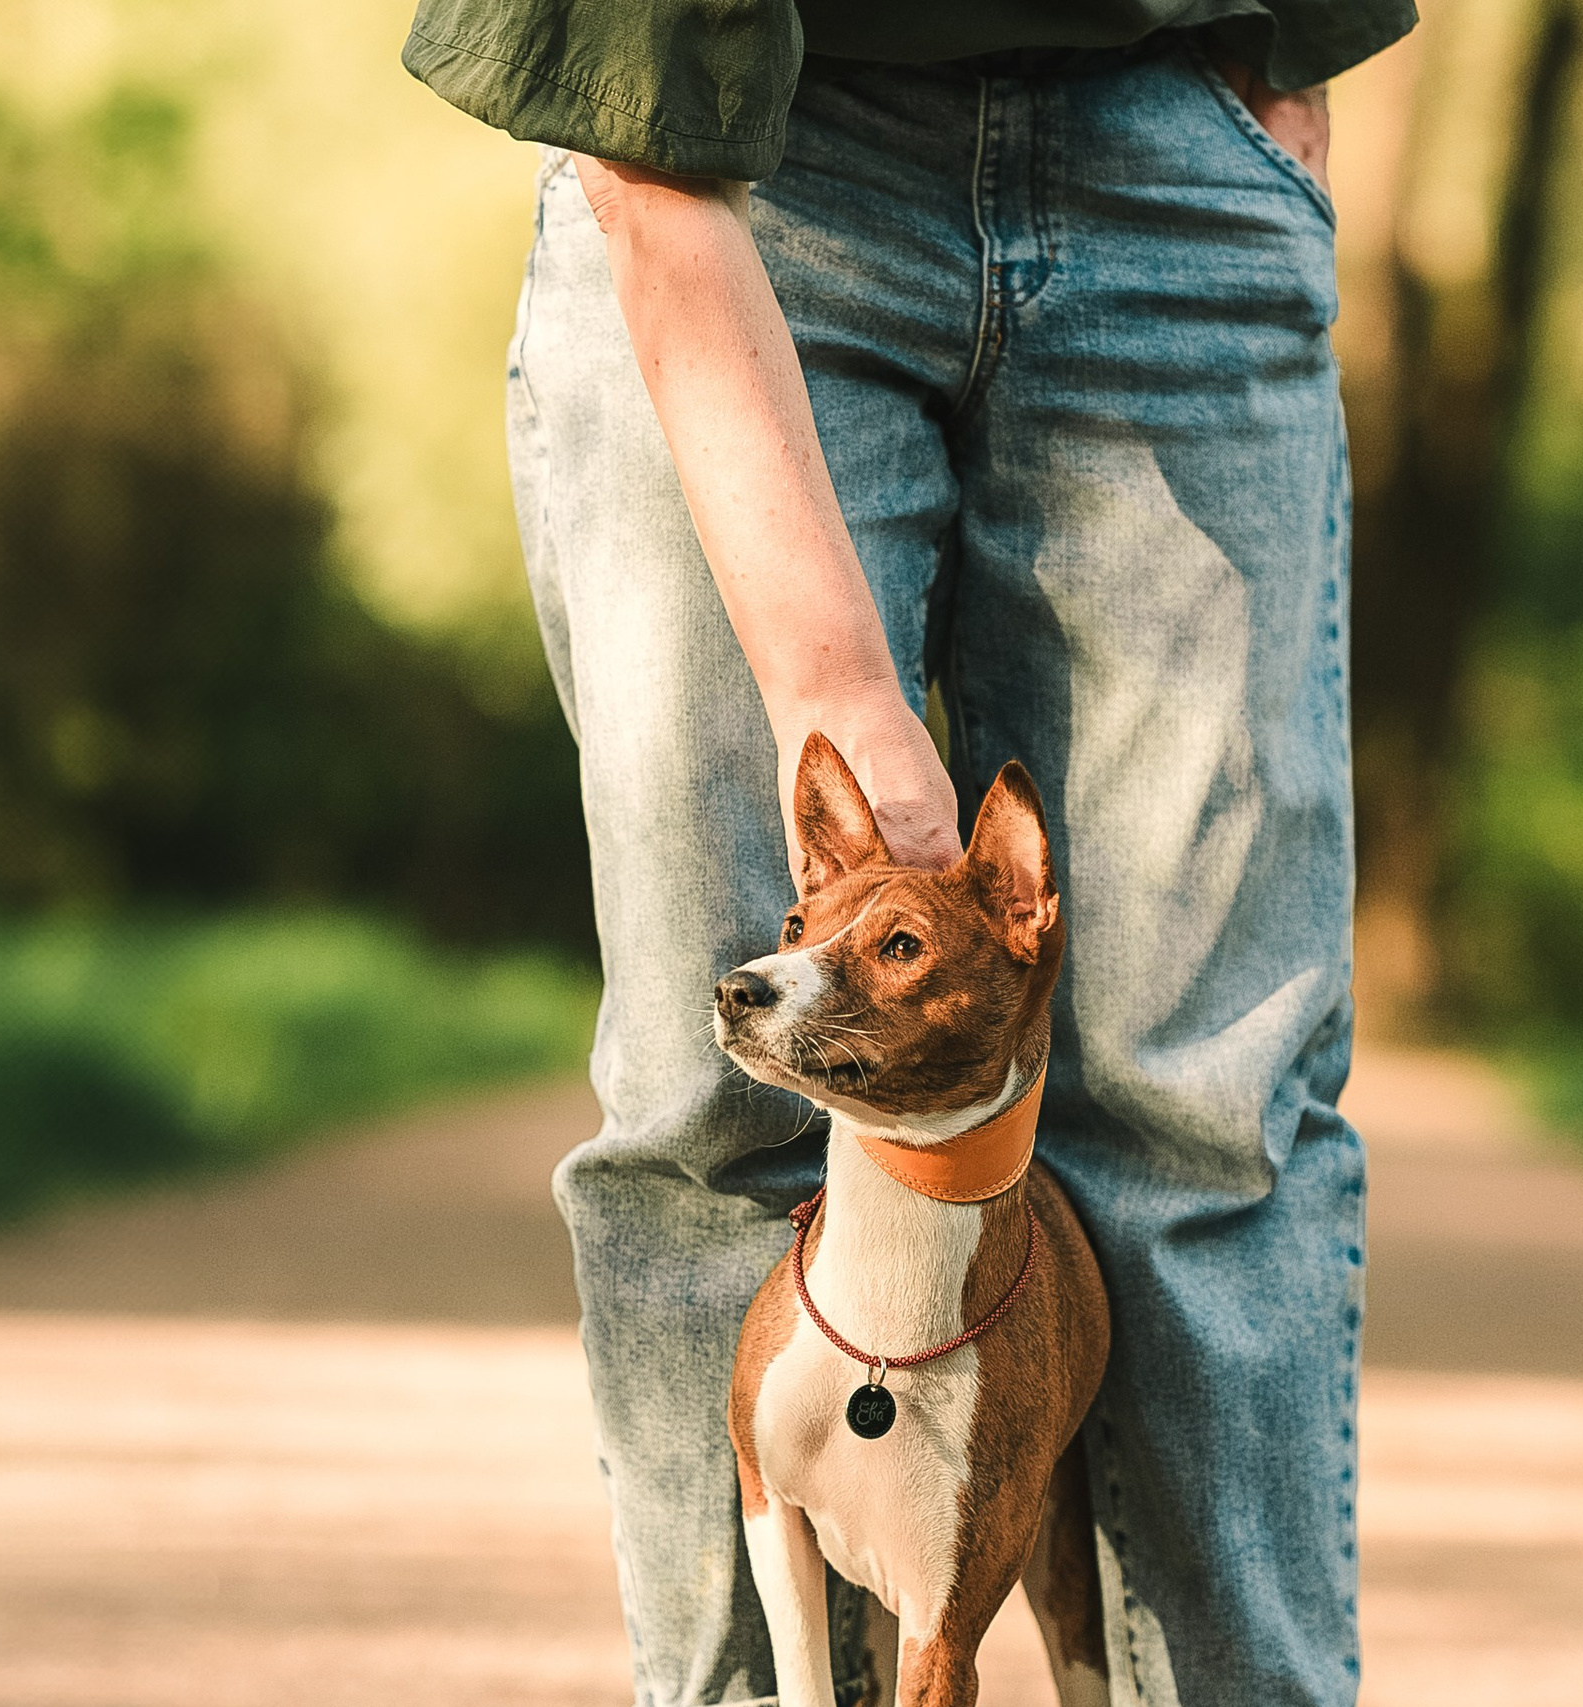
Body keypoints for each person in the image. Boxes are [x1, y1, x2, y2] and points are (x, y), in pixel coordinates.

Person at [402, 3, 1412, 1701]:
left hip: (1183, 158)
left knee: (1211, 1120)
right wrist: (835, 686)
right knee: (724, 1103)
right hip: (736, 168)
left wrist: (1286, 71)